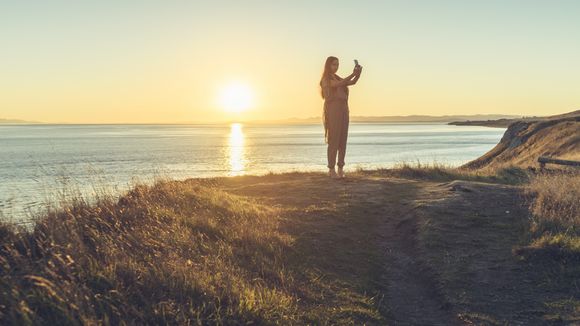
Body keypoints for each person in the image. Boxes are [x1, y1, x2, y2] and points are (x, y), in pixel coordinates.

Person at [319, 56, 362, 178]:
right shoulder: (326, 79)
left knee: (343, 139)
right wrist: (352, 73)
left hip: (344, 109)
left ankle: (340, 168)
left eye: (337, 64)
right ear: (328, 65)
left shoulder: (337, 77)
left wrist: (357, 74)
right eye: (333, 64)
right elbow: (340, 84)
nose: (336, 67)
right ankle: (331, 169)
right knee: (334, 139)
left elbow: (351, 82)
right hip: (333, 110)